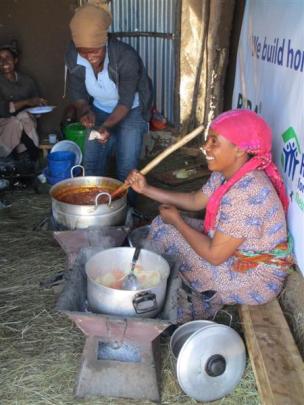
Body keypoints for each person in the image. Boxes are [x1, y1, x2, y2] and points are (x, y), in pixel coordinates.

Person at [126, 109, 293, 322]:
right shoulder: (228, 174)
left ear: (239, 150)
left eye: (214, 141)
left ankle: (197, 300)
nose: (206, 147)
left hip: (255, 278)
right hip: (236, 254)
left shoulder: (248, 192)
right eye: (208, 140)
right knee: (160, 224)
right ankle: (164, 284)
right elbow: (196, 200)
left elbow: (215, 256)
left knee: (168, 233)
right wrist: (146, 189)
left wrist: (177, 221)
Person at [63, 2, 153, 206]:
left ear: (105, 42)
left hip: (131, 110)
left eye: (95, 51)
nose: (90, 57)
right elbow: (77, 90)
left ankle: (127, 211)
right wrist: (85, 110)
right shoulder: (73, 55)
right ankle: (95, 208)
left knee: (126, 166)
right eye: (84, 52)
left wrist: (106, 127)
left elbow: (125, 102)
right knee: (91, 162)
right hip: (101, 108)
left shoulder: (125, 56)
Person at [0, 42, 47, 166]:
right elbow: (2, 109)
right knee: (14, 122)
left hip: (27, 122)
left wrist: (40, 106)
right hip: (3, 126)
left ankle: (28, 158)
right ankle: (29, 156)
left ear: (15, 60)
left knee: (23, 117)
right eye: (0, 58)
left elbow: (36, 105)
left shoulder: (27, 81)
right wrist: (27, 102)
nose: (3, 61)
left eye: (7, 57)